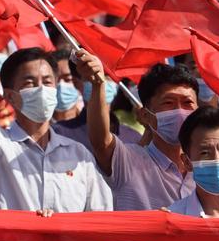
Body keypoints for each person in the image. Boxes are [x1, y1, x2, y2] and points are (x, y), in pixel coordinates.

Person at [0, 38, 112, 212]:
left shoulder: (79, 155)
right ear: (11, 96)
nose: (41, 89)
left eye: (47, 82)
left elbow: (99, 215)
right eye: (30, 83)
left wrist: (98, 84)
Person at [75, 52, 196, 211]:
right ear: (146, 115)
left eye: (187, 103)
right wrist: (98, 85)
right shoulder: (128, 163)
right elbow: (101, 141)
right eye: (169, 103)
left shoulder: (207, 167)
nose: (180, 111)